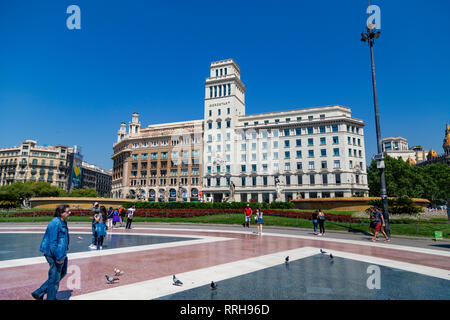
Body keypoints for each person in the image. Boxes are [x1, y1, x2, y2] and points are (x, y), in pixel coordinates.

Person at [31, 205, 71, 300]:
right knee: (55, 278)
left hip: (61, 252)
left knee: (62, 273)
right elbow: (52, 243)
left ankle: (39, 292)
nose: (70, 213)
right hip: (54, 254)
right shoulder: (55, 223)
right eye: (68, 211)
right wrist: (58, 257)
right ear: (61, 213)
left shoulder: (63, 222)